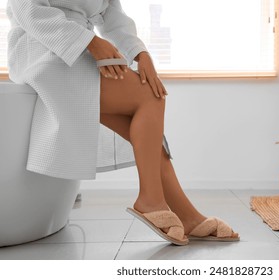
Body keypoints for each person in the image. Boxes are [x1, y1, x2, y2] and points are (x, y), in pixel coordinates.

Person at [7, 0, 239, 246]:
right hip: (43, 49)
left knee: (145, 132)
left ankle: (187, 215)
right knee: (150, 98)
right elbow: (27, 9)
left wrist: (141, 53)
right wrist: (90, 42)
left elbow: (111, 13)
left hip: (80, 50)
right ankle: (151, 201)